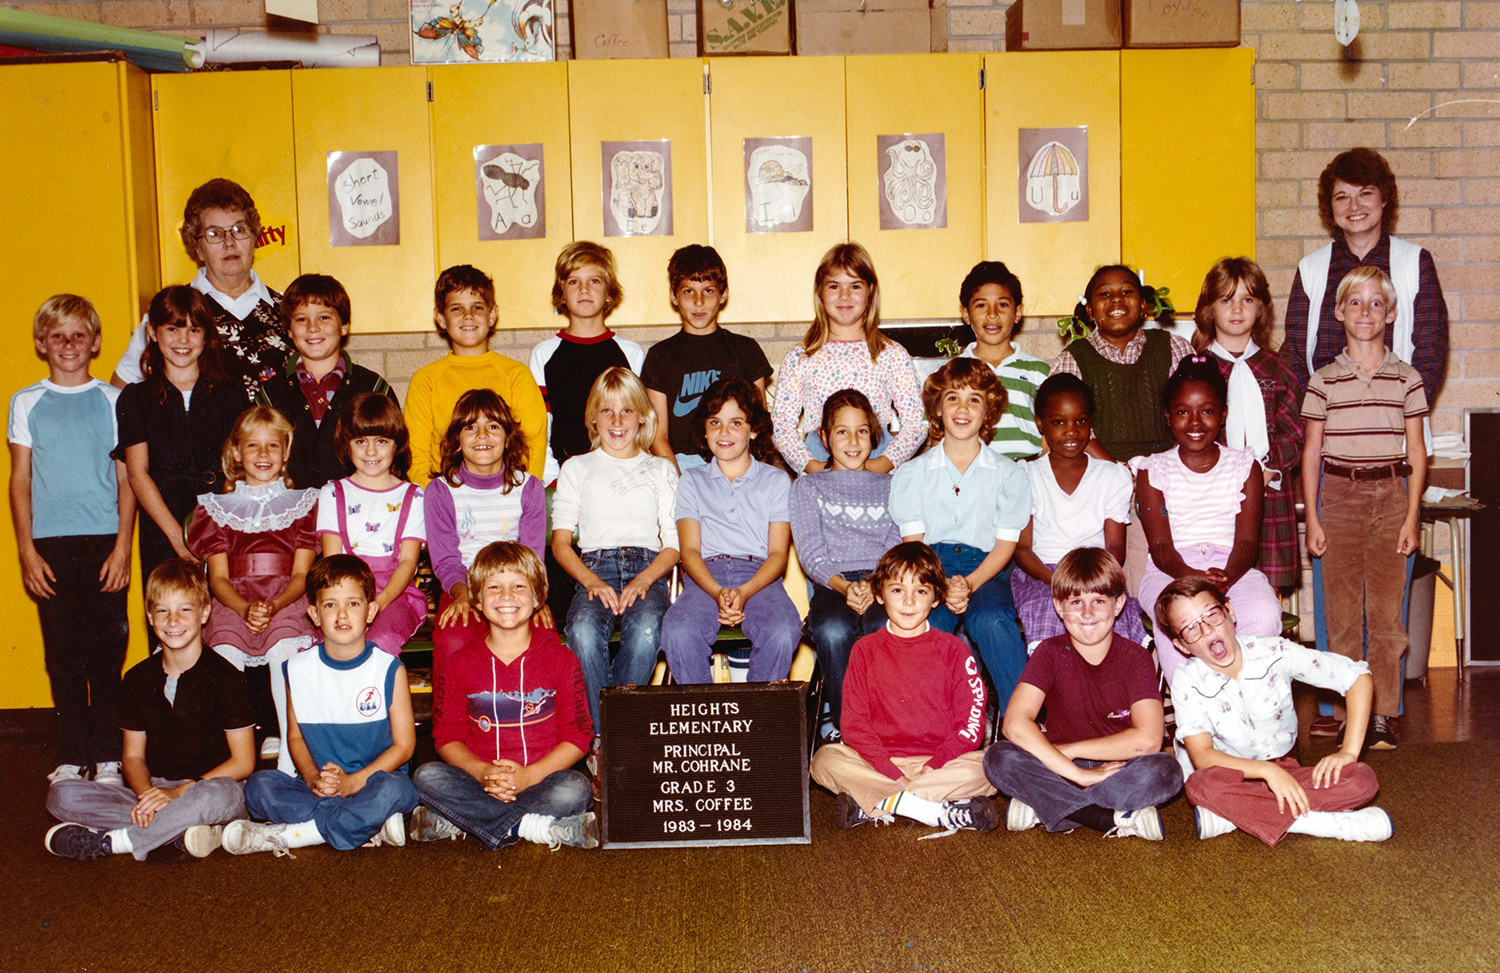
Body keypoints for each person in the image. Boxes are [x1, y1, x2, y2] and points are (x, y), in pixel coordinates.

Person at [44, 559, 255, 860]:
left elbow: (244, 762)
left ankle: (114, 842)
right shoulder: (137, 679)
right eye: (162, 611)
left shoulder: (228, 678)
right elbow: (131, 756)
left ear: (204, 612)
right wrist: (147, 795)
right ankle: (178, 832)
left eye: (185, 609)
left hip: (208, 788)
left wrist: (176, 795)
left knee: (219, 796)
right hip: (154, 787)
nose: (173, 620)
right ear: (150, 617)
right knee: (62, 794)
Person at [1156, 576, 1391, 845]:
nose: (1207, 630)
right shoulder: (1187, 679)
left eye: (1211, 615)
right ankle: (1329, 824)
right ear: (1181, 645)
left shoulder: (1274, 651)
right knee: (1200, 785)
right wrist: (1268, 773)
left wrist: (1348, 751)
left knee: (1362, 779)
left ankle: (1234, 816)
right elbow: (1202, 755)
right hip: (1231, 776)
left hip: (1288, 769)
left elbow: (1356, 678)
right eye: (1190, 628)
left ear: (1230, 612)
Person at [9, 294, 134, 788]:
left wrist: (124, 546)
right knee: (62, 652)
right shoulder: (27, 402)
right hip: (51, 544)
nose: (68, 344)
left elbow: (126, 478)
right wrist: (26, 549)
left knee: (107, 652)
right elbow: (20, 479)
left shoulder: (112, 400)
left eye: (78, 335)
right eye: (57, 335)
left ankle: (106, 755)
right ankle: (70, 753)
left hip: (105, 539)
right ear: (42, 343)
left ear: (95, 342)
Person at [1301, 266, 1427, 751]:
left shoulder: (1407, 379)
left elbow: (1416, 450)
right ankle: (1342, 708)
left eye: (1377, 303)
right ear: (1338, 313)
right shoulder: (1324, 381)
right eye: (1355, 302)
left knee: (1386, 615)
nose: (1366, 312)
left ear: (1391, 314)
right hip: (1339, 497)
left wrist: (1411, 515)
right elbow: (1312, 452)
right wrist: (1313, 515)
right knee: (1342, 614)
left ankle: (1384, 712)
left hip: (1392, 497)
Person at [225, 556, 418, 856]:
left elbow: (404, 748)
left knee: (398, 790)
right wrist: (314, 778)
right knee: (258, 786)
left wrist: (353, 783)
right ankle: (359, 823)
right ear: (314, 614)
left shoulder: (389, 669)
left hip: (372, 781)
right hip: (318, 787)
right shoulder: (298, 669)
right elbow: (296, 738)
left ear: (371, 611)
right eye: (330, 605)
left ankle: (296, 834)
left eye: (353, 604)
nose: (342, 614)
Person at [410, 542, 598, 850]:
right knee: (427, 776)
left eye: (519, 587)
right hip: (479, 781)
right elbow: (446, 737)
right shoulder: (459, 663)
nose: (507, 597)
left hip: (542, 779)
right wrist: (483, 773)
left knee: (576, 789)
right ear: (478, 600)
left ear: (538, 598)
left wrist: (529, 777)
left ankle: (462, 820)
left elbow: (578, 737)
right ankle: (531, 826)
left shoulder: (562, 659)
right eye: (494, 587)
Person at [984, 548, 1181, 839]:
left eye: (1099, 601)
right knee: (997, 757)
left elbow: (1149, 740)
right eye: (1076, 601)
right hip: (1059, 766)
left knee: (1166, 770)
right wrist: (1080, 774)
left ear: (1118, 605)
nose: (1087, 614)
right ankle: (1106, 817)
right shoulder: (1048, 652)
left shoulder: (1136, 657)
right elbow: (1014, 723)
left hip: (1117, 765)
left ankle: (1047, 805)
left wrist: (1073, 750)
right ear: (1059, 607)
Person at [809, 541, 998, 834]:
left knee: (993, 764)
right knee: (824, 761)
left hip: (941, 764)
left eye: (921, 591)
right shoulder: (864, 650)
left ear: (936, 598)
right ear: (880, 595)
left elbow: (971, 723)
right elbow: (854, 724)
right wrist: (889, 771)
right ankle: (933, 811)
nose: (908, 601)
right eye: (897, 590)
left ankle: (876, 801)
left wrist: (937, 764)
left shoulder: (954, 650)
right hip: (878, 762)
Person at [1131, 357, 1283, 686]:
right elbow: (1160, 546)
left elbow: (1246, 542)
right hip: (1172, 568)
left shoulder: (1245, 465)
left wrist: (1224, 577)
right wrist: (1194, 578)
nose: (1195, 422)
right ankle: (1195, 713)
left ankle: (1250, 701)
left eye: (1208, 411)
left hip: (1231, 567)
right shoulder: (1152, 470)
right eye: (1183, 411)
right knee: (1177, 617)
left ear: (1223, 415)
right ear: (1168, 416)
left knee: (1263, 612)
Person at [889, 358, 1031, 706]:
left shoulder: (1008, 474)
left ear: (989, 411)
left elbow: (1005, 545)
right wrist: (941, 583)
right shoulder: (913, 473)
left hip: (987, 570)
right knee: (923, 625)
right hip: (929, 568)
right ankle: (919, 719)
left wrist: (970, 583)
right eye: (953, 398)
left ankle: (1022, 720)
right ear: (937, 408)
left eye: (975, 399)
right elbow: (915, 545)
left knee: (992, 619)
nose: (963, 408)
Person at [551, 368, 679, 741]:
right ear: (593, 418)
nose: (618, 421)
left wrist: (643, 579)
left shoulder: (660, 470)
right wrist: (590, 581)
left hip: (648, 569)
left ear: (642, 416)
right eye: (607, 411)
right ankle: (609, 739)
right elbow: (561, 543)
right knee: (583, 631)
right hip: (594, 569)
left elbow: (673, 544)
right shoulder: (577, 468)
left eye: (627, 411)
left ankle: (610, 739)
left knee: (645, 630)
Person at [186, 405, 318, 759]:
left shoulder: (304, 504)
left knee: (283, 652)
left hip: (286, 596)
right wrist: (244, 608)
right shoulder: (216, 508)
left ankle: (292, 761)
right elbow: (217, 578)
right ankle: (230, 759)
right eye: (252, 446)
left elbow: (302, 575)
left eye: (273, 446)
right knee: (225, 654)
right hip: (233, 599)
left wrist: (273, 605)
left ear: (286, 451)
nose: (263, 455)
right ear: (235, 452)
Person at [662, 379, 802, 685]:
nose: (724, 433)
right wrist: (717, 591)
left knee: (783, 630)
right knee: (677, 631)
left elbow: (778, 555)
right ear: (704, 430)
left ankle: (757, 720)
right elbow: (689, 552)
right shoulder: (691, 481)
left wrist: (744, 591)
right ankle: (704, 720)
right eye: (715, 423)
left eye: (736, 423)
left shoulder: (776, 481)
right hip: (704, 577)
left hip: (759, 577)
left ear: (753, 430)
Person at [1284, 147, 1447, 403]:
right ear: (1330, 206)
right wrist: (1322, 414)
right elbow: (1294, 356)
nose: (1354, 206)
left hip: (1399, 424)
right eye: (1341, 197)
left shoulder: (1415, 263)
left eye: (1365, 193)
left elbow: (1432, 354)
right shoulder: (1310, 269)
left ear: (1384, 198)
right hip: (1330, 427)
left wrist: (1399, 414)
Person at [116, 286, 243, 599]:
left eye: (193, 330)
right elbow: (137, 473)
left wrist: (221, 531)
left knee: (224, 621)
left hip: (223, 524)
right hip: (162, 526)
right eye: (172, 329)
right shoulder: (136, 398)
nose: (183, 341)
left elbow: (242, 467)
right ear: (153, 333)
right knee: (170, 615)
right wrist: (176, 536)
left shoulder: (231, 394)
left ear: (206, 336)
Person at [789, 389, 902, 742]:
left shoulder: (891, 485)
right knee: (833, 630)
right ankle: (848, 731)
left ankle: (890, 728)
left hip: (882, 583)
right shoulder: (807, 487)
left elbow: (896, 541)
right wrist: (844, 586)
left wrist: (875, 583)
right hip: (832, 585)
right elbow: (810, 551)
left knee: (884, 625)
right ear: (824, 437)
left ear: (874, 436)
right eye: (842, 431)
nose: (853, 441)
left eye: (862, 431)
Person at [112, 178, 289, 401]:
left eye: (239, 229)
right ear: (197, 248)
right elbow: (120, 393)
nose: (229, 242)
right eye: (214, 234)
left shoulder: (288, 312)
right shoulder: (169, 314)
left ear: (254, 237)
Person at [1011, 375, 1148, 651]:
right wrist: (1060, 582)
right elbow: (1023, 549)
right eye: (1058, 422)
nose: (1071, 432)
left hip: (1097, 572)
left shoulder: (1112, 476)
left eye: (1081, 421)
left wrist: (1089, 583)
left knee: (1108, 617)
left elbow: (1115, 547)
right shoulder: (1025, 475)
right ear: (1040, 423)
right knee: (1051, 615)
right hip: (1044, 574)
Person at [1191, 257, 1303, 591]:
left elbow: (1296, 432)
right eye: (1226, 300)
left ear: (1261, 309)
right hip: (1210, 500)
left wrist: (1267, 470)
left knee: (1265, 590)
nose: (1237, 309)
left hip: (1268, 496)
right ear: (1210, 309)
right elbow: (1185, 432)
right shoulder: (1196, 369)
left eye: (1247, 300)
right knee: (1214, 585)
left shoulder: (1278, 369)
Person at [772, 242, 925, 474]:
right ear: (820, 292)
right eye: (834, 286)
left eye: (855, 286)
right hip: (820, 461)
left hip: (876, 460)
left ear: (870, 291)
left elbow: (917, 423)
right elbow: (782, 426)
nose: (844, 296)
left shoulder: (891, 354)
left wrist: (881, 465)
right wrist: (814, 467)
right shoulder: (801, 357)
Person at [425, 389, 545, 672]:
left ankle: (530, 714)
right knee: (453, 641)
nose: (482, 436)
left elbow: (532, 557)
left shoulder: (528, 488)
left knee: (543, 640)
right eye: (470, 428)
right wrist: (464, 594)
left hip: (517, 588)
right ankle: (450, 717)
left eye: (492, 427)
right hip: (461, 587)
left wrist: (533, 596)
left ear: (507, 438)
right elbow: (445, 561)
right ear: (457, 440)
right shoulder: (441, 491)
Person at [405, 265, 547, 485]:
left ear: (492, 315)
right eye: (456, 309)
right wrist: (435, 499)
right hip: (446, 501)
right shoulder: (425, 380)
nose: (468, 316)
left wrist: (519, 493)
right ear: (440, 318)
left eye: (477, 307)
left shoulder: (516, 375)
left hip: (505, 499)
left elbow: (533, 446)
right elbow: (416, 454)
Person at [256, 274, 397, 491]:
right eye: (301, 319)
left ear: (344, 326)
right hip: (292, 516)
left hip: (357, 514)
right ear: (289, 331)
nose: (313, 327)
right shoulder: (271, 394)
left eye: (324, 317)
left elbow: (396, 460)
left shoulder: (373, 389)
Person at [642, 245, 772, 474]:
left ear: (723, 294)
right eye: (688, 291)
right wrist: (679, 482)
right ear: (674, 295)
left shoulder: (746, 350)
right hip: (681, 465)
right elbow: (657, 436)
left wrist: (743, 474)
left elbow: (759, 425)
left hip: (737, 461)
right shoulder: (660, 356)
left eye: (708, 291)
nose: (699, 302)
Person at [319, 393, 427, 657]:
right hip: (342, 590)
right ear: (347, 444)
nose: (370, 452)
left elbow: (408, 563)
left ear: (396, 445)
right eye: (360, 441)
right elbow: (332, 561)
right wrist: (350, 604)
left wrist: (377, 603)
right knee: (323, 644)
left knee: (379, 642)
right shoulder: (333, 492)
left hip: (393, 595)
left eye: (381, 441)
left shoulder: (413, 496)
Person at [1049, 264, 1192, 463]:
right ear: (1089, 310)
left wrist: (1162, 470)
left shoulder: (1175, 348)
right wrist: (1117, 472)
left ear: (1143, 305)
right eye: (1105, 294)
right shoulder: (1073, 359)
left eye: (1126, 291)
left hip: (1170, 470)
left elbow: (1193, 417)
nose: (1116, 299)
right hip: (1103, 474)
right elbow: (1068, 430)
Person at [530, 242, 646, 482]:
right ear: (561, 293)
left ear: (609, 293)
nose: (584, 289)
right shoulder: (544, 353)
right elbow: (542, 427)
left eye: (594, 281)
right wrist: (552, 478)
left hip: (620, 475)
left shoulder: (630, 353)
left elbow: (640, 424)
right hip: (565, 477)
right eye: (574, 282)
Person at [953, 260, 1051, 460]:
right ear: (966, 314)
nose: (992, 314)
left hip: (1027, 472)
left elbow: (1050, 433)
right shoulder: (952, 372)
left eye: (1002, 305)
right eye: (981, 305)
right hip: (974, 473)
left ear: (1018, 313)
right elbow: (940, 436)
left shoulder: (1039, 372)